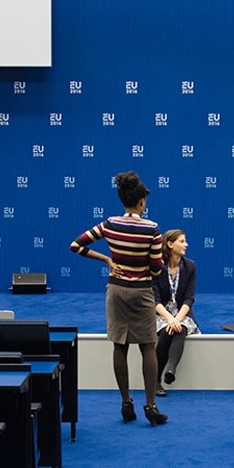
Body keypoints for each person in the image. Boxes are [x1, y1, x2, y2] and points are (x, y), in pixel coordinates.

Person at [70, 172, 168, 425]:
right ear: (141, 203)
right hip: (142, 292)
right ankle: (151, 406)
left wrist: (107, 259)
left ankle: (126, 403)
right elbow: (157, 268)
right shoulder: (153, 229)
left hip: (115, 290)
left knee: (119, 346)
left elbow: (76, 245)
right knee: (148, 346)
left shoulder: (108, 224)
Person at [153, 229, 199, 396]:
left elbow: (189, 299)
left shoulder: (190, 266)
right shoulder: (156, 267)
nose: (186, 244)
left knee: (180, 328)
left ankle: (170, 369)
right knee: (167, 329)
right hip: (160, 314)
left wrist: (177, 319)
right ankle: (157, 379)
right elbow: (154, 300)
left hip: (182, 314)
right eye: (182, 241)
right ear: (170, 244)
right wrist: (169, 318)